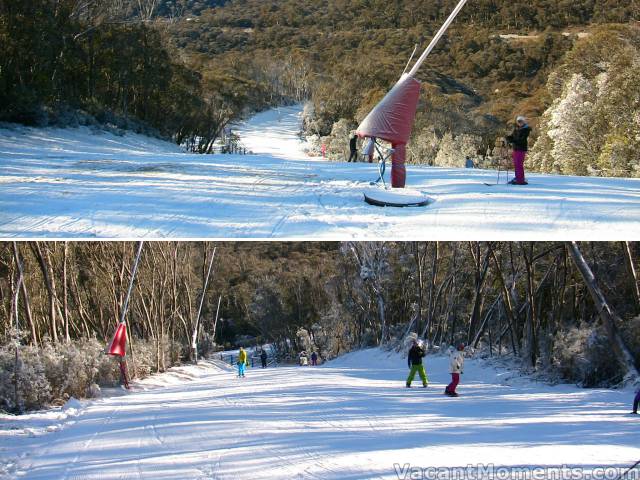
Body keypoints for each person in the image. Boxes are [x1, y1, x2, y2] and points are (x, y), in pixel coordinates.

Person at [505, 116, 531, 185]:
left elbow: (521, 140)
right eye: (518, 121)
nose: (519, 122)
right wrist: (508, 137)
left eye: (521, 121)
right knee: (516, 164)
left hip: (521, 148)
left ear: (524, 121)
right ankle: (518, 178)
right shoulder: (517, 129)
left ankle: (520, 180)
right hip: (516, 148)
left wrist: (512, 140)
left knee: (519, 164)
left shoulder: (525, 130)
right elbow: (513, 137)